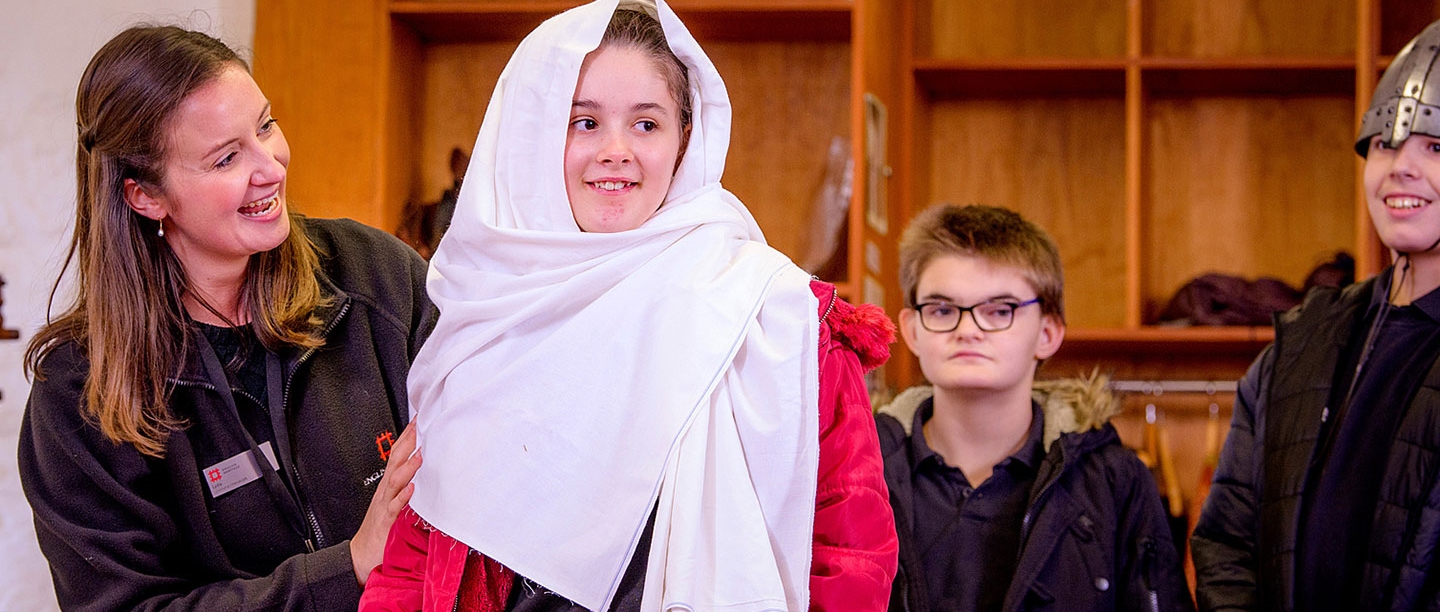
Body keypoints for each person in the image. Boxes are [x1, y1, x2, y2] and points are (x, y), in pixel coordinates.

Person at [358, 1, 898, 610]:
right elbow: (413, 566)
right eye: (584, 122)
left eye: (646, 124)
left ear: (684, 139)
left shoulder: (779, 318)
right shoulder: (484, 319)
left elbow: (849, 559)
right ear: (535, 134)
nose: (615, 150)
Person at [19, 25, 434, 611]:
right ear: (145, 197)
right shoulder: (79, 393)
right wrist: (348, 569)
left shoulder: (374, 276)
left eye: (265, 126)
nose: (272, 167)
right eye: (226, 158)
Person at [1191, 18, 1440, 612]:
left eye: (1436, 147)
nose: (1401, 167)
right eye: (1385, 144)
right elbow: (1226, 543)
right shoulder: (1304, 340)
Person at [874, 204, 1194, 611]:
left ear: (1048, 332)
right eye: (942, 310)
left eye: (999, 311)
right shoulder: (859, 469)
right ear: (911, 329)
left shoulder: (1115, 482)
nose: (967, 330)